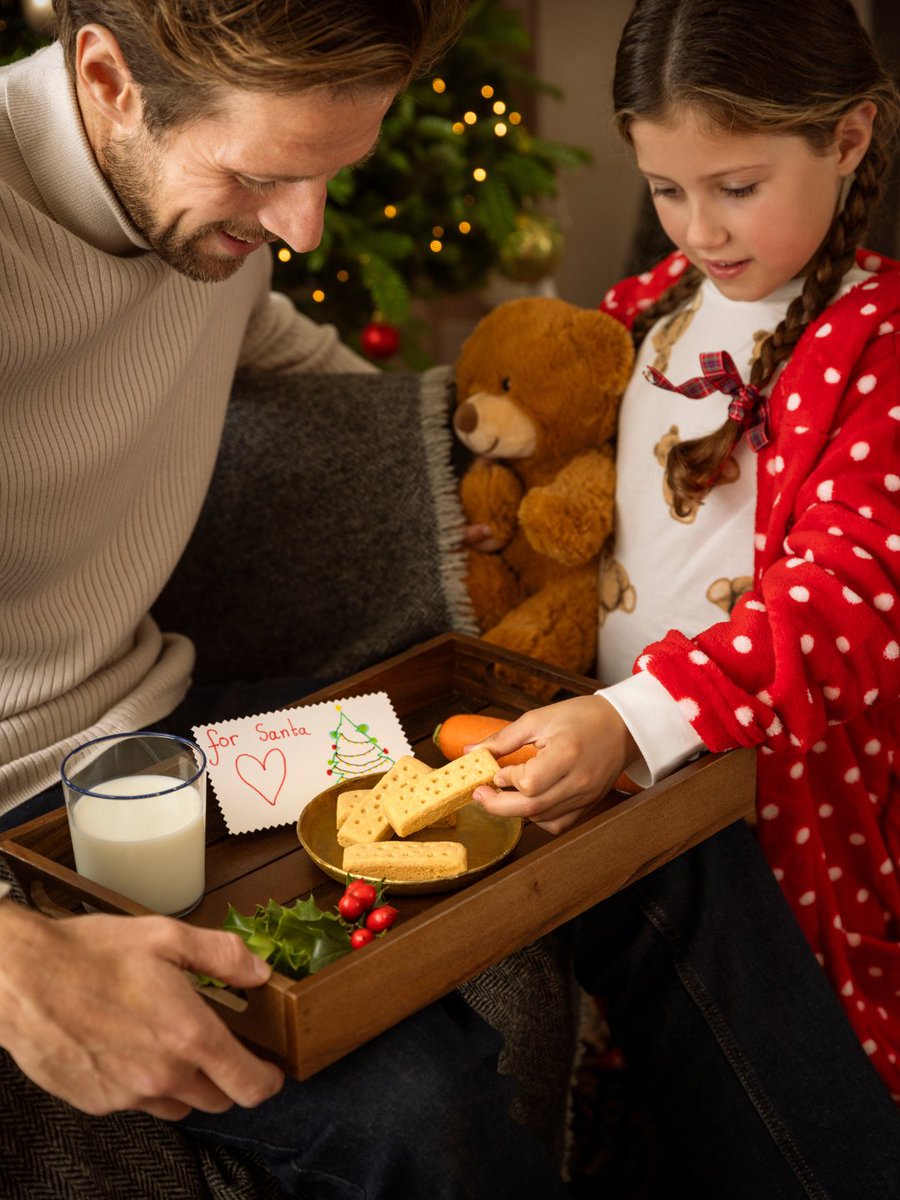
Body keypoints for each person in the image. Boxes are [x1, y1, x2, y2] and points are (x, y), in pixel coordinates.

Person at [0, 3, 575, 1196]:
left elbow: (257, 331)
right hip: (19, 834)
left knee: (625, 791)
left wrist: (459, 475)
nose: (302, 231)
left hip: (163, 742)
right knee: (417, 1106)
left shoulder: (204, 219)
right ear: (108, 78)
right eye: (262, 177)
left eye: (329, 176)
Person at [472, 0, 900, 1194]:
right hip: (603, 776)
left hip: (781, 802)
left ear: (852, 138)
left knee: (787, 1075)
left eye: (738, 185)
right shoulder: (640, 315)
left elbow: (856, 598)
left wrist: (638, 716)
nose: (700, 227)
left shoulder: (882, 339)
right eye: (666, 189)